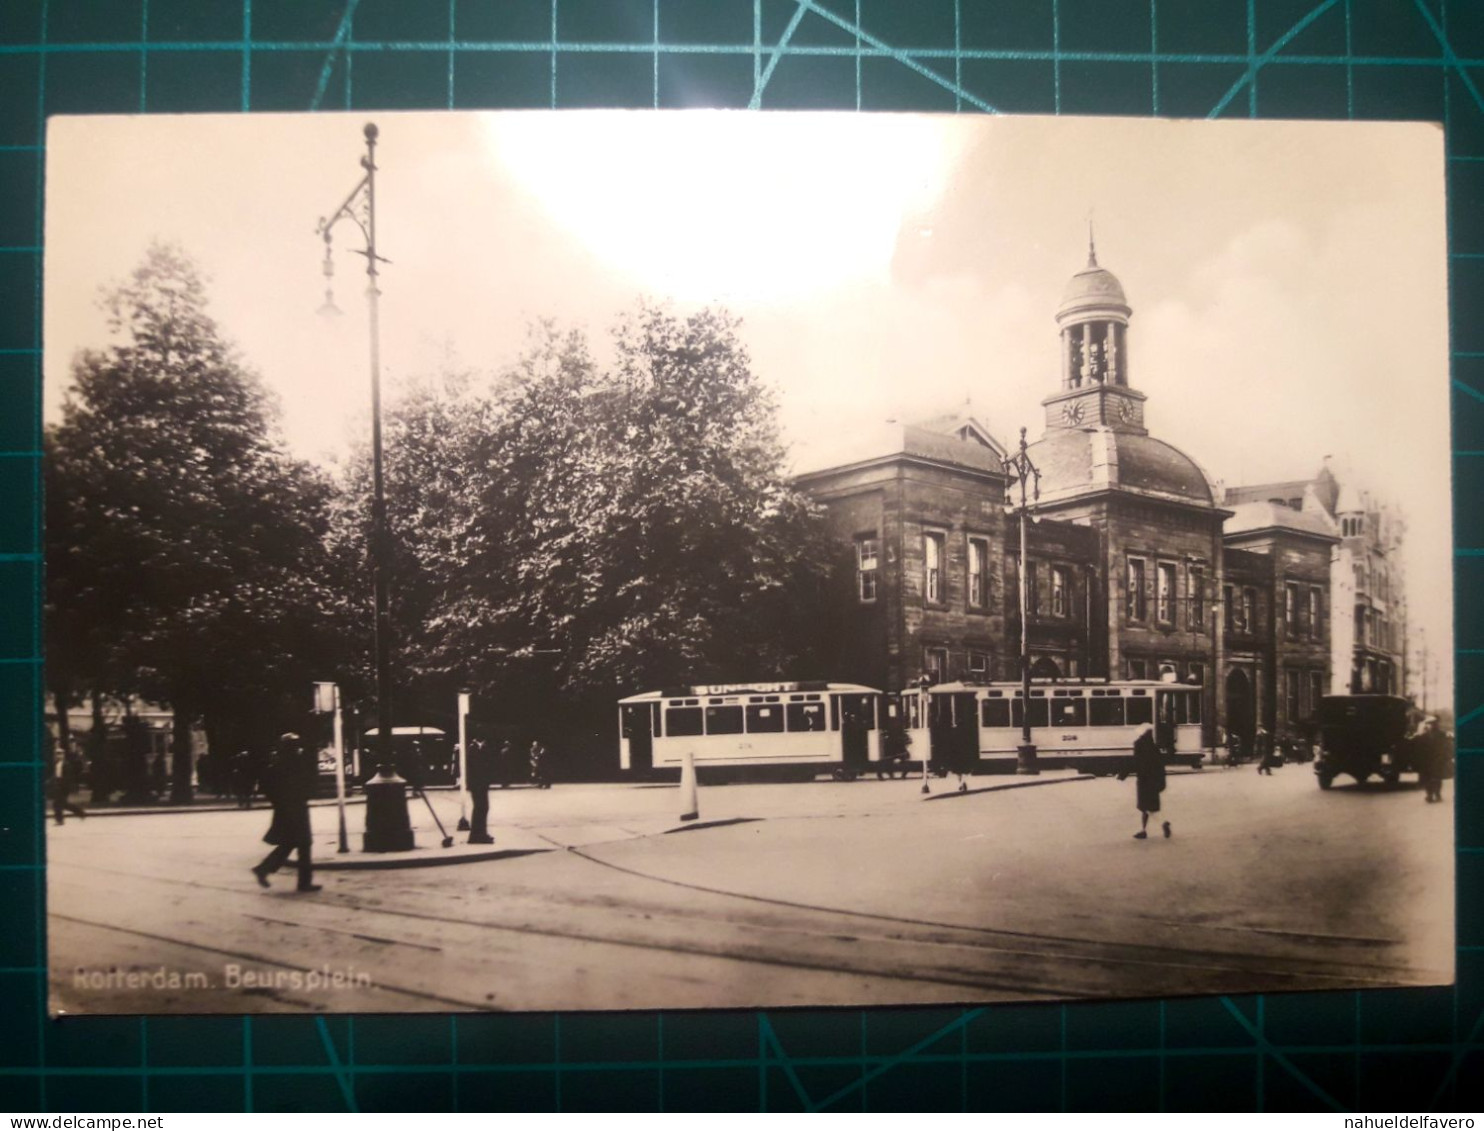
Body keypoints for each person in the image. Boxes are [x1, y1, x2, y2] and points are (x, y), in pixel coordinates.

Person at [251, 734, 320, 892]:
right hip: (295, 808)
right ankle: (303, 882)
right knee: (303, 843)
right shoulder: (293, 763)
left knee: (290, 843)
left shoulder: (277, 764)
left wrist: (277, 802)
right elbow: (303, 782)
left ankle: (264, 868)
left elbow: (267, 786)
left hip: (286, 808)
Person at [1120, 723, 1169, 839]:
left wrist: (1123, 774)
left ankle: (1159, 825)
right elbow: (1160, 766)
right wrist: (1162, 782)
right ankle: (1144, 830)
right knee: (1148, 807)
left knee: (1145, 807)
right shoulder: (1154, 747)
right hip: (1154, 781)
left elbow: (1135, 762)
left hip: (1144, 781)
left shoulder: (1138, 744)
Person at [1415, 717, 1451, 804]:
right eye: (1431, 724)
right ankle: (1429, 795)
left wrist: (1444, 757)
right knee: (1427, 778)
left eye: (1434, 724)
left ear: (1437, 724)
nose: (1433, 726)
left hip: (1438, 759)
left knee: (1437, 778)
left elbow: (1446, 747)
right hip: (1427, 760)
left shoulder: (1442, 735)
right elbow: (1419, 748)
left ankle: (1437, 794)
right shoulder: (1423, 736)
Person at [465, 738, 495, 844]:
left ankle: (480, 833)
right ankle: (476, 835)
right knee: (480, 808)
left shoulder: (480, 749)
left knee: (482, 808)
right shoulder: (473, 749)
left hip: (481, 785)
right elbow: (477, 768)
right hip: (477, 785)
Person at [48, 753, 87, 825]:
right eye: (57, 754)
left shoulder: (66, 764)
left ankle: (60, 821)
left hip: (63, 787)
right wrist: (50, 781)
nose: (58, 756)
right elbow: (56, 775)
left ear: (63, 756)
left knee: (57, 804)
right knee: (64, 804)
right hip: (58, 786)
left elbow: (68, 777)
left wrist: (64, 786)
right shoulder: (57, 764)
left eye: (60, 754)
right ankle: (81, 813)